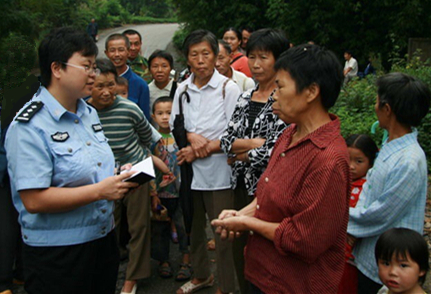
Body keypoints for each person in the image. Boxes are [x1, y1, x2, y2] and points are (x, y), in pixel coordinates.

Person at [4, 27, 139, 294]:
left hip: (101, 240)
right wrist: (101, 190)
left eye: (94, 66)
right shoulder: (30, 126)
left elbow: (86, 169)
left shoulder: (88, 112)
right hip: (57, 254)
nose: (93, 74)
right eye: (86, 66)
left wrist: (116, 175)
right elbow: (34, 200)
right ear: (57, 69)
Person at [212, 43, 350, 293]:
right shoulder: (289, 134)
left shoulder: (329, 160)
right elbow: (266, 197)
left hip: (292, 284)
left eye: (281, 86)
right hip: (262, 273)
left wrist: (247, 224)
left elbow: (304, 240)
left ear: (311, 92)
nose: (274, 95)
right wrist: (240, 214)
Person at [87, 58, 175, 294]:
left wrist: (158, 178)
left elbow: (152, 139)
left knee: (139, 228)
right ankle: (107, 271)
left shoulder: (129, 109)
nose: (106, 92)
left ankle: (131, 280)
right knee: (106, 227)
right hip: (104, 178)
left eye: (110, 85)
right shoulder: (84, 112)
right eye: (99, 86)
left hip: (136, 173)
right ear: (89, 86)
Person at [170, 29, 241, 294]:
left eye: (206, 54)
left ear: (216, 57)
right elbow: (174, 123)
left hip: (220, 174)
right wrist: (190, 136)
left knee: (222, 232)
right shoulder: (182, 88)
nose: (200, 60)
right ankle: (201, 275)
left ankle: (227, 285)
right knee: (194, 227)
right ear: (187, 59)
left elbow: (236, 134)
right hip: (190, 174)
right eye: (194, 55)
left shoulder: (228, 88)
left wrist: (199, 148)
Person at [219, 28, 289, 294]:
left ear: (279, 59)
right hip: (240, 186)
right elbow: (226, 140)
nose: (256, 64)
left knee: (267, 254)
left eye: (264, 57)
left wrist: (242, 153)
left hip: (269, 190)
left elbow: (276, 150)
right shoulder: (245, 97)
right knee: (239, 249)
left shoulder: (284, 99)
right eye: (252, 57)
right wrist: (252, 145)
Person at [347, 72, 431, 294]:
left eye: (376, 101)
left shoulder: (409, 160)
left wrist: (340, 218)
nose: (374, 106)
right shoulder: (392, 146)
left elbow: (382, 213)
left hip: (389, 265)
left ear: (387, 109)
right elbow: (369, 187)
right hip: (371, 256)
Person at [150, 96, 191, 282]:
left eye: (169, 113)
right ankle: (163, 261)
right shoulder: (151, 138)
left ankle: (186, 260)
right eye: (160, 113)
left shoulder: (181, 136)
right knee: (159, 227)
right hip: (160, 192)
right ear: (153, 116)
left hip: (181, 190)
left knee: (184, 226)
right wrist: (152, 191)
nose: (165, 117)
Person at [338, 134, 378, 294]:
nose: (351, 166)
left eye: (359, 161)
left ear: (370, 162)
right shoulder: (338, 179)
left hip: (353, 255)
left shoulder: (369, 187)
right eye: (347, 159)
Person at [104, 33, 151, 120]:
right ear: (106, 53)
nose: (117, 54)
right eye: (112, 50)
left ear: (128, 52)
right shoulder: (97, 82)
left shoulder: (140, 84)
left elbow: (145, 120)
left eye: (121, 50)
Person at [375, 228, 429, 294]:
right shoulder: (384, 290)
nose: (392, 272)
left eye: (403, 265)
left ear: (422, 269)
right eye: (386, 263)